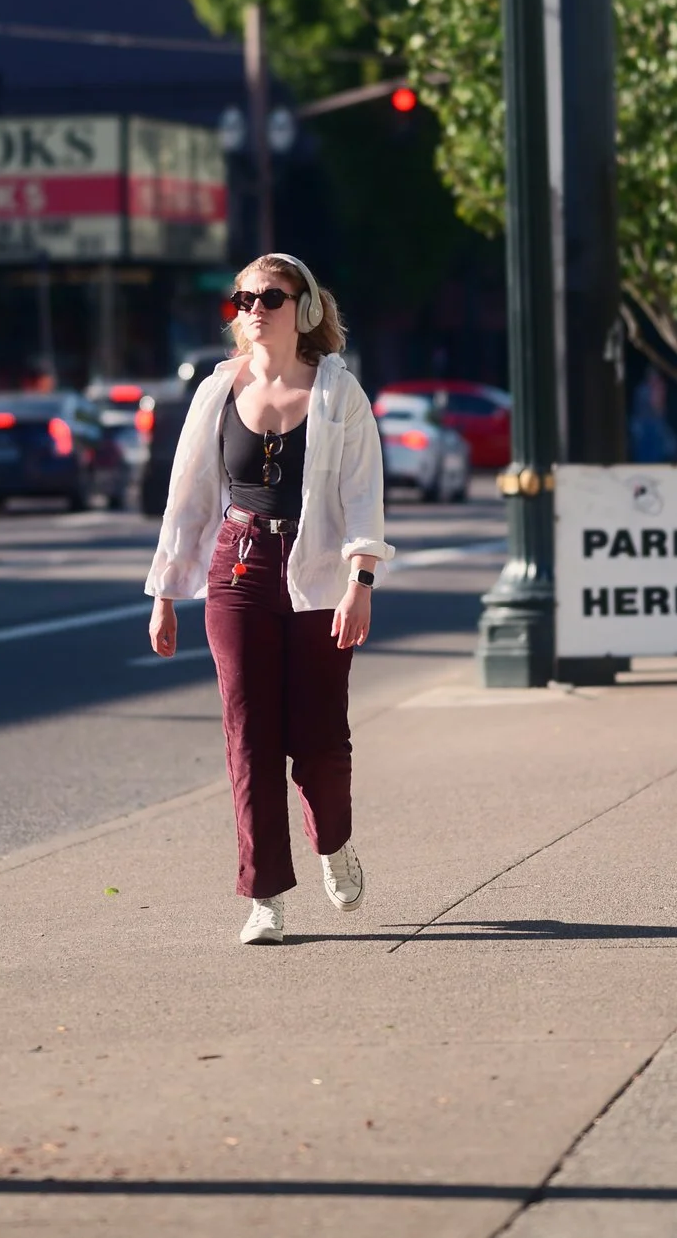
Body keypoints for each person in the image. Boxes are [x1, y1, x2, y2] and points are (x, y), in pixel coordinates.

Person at [145, 254, 391, 947]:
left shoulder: (340, 394)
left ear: (304, 309)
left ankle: (333, 843)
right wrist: (166, 591)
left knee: (318, 740)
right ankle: (265, 896)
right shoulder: (217, 391)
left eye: (272, 296)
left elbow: (364, 494)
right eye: (244, 296)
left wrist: (360, 581)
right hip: (239, 568)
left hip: (316, 575)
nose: (255, 307)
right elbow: (187, 499)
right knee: (248, 738)